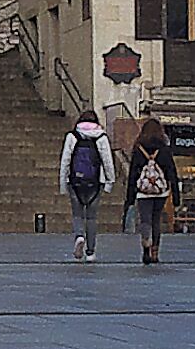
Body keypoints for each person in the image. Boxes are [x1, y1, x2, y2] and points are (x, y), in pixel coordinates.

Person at [57, 114, 115, 260]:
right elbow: (107, 161)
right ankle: (90, 252)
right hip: (96, 183)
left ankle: (79, 236)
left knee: (77, 214)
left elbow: (65, 160)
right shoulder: (101, 137)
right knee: (91, 217)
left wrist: (63, 184)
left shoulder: (72, 136)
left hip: (75, 181)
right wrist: (110, 182)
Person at [121, 113, 175, 266]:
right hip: (160, 191)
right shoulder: (164, 149)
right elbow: (171, 171)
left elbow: (132, 174)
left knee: (145, 219)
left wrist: (129, 198)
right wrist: (175, 195)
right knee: (156, 219)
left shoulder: (139, 149)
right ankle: (155, 251)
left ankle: (146, 244)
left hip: (143, 191)